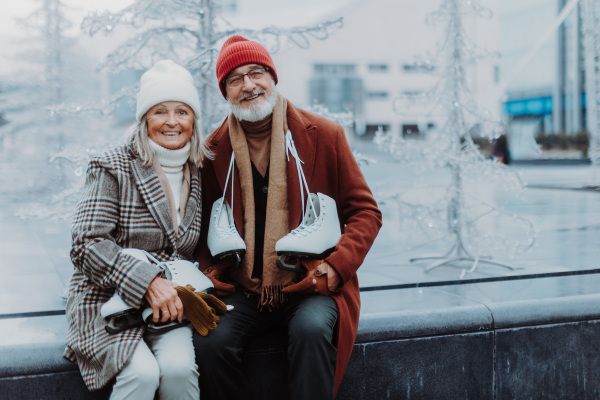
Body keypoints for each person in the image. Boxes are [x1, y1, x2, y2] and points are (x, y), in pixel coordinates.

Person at [192, 35, 383, 400]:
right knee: (209, 342)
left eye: (256, 73)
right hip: (244, 287)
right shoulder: (213, 151)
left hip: (310, 282)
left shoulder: (324, 135)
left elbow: (366, 213)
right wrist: (207, 270)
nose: (248, 85)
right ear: (225, 92)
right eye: (235, 79)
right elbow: (202, 229)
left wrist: (335, 268)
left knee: (312, 330)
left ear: (273, 78)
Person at [64, 60, 213, 400]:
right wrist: (147, 282)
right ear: (145, 117)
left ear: (194, 120)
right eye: (160, 111)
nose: (172, 122)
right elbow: (86, 243)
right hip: (107, 299)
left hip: (170, 302)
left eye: (182, 111)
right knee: (142, 375)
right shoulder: (113, 165)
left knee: (179, 370)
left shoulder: (203, 169)